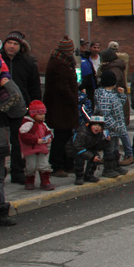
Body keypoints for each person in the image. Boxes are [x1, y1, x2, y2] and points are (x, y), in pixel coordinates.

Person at [1, 30, 41, 185]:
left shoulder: (27, 62)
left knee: (18, 141)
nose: (11, 46)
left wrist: (36, 106)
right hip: (0, 108)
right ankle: (1, 172)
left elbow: (34, 86)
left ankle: (18, 172)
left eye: (15, 44)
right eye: (9, 43)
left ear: (20, 46)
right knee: (1, 143)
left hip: (20, 108)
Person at [45, 37, 80, 176]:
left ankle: (66, 163)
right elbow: (62, 86)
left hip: (64, 107)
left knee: (66, 135)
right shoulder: (59, 64)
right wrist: (72, 98)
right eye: (71, 50)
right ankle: (57, 164)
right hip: (60, 107)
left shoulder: (63, 62)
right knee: (61, 136)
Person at [93, 71, 130, 177]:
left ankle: (115, 165)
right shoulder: (104, 96)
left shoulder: (112, 94)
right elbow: (105, 114)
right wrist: (114, 126)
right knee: (109, 149)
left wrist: (121, 95)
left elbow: (119, 104)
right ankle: (108, 169)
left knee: (115, 148)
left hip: (116, 128)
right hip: (110, 129)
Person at [18, 100, 54, 191]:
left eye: (43, 114)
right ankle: (30, 180)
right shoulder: (27, 124)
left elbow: (49, 131)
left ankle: (45, 181)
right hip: (30, 149)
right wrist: (36, 140)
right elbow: (23, 136)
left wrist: (49, 137)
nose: (43, 116)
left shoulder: (43, 124)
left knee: (44, 165)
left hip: (42, 148)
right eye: (40, 114)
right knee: (31, 165)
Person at [73, 115, 110, 185]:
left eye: (99, 126)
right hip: (76, 149)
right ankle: (79, 177)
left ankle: (89, 175)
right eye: (95, 125)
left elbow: (98, 147)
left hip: (88, 148)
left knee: (96, 156)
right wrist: (91, 157)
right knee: (80, 159)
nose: (97, 127)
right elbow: (78, 147)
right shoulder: (82, 132)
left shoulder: (99, 133)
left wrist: (106, 141)